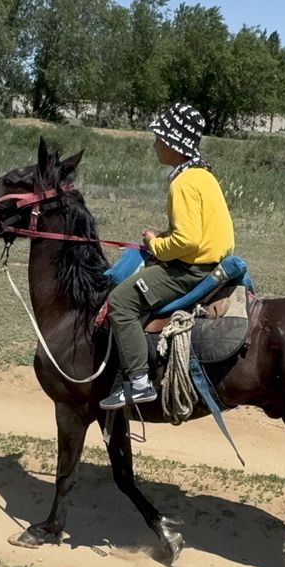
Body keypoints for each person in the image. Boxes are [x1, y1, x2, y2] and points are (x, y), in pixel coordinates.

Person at [100, 103, 235, 410]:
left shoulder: (183, 183)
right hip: (212, 263)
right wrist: (161, 237)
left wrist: (156, 245)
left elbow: (187, 240)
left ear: (175, 144)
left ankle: (138, 382)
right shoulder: (204, 176)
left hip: (189, 270)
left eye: (160, 138)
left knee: (121, 301)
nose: (155, 144)